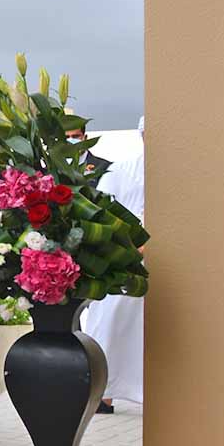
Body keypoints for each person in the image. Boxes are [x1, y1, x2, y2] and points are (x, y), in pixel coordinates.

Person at [86, 117, 146, 410]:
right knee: (109, 322)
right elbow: (105, 211)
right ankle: (103, 391)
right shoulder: (121, 170)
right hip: (126, 255)